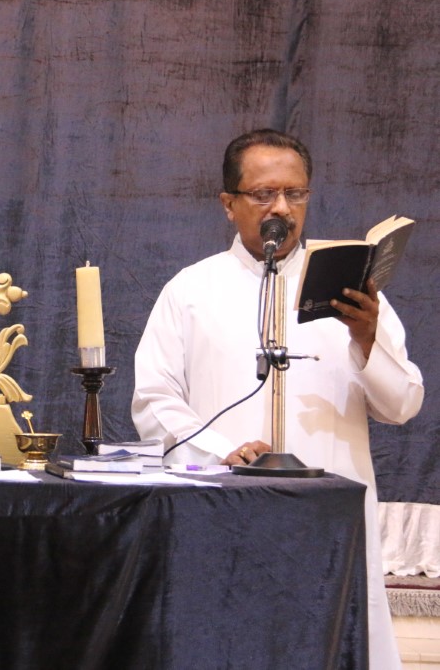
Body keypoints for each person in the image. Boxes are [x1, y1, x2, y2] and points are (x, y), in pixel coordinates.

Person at [131, 128, 423, 667]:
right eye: (264, 194)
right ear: (229, 203)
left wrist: (367, 340)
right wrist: (220, 452)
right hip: (225, 508)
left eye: (296, 193)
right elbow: (154, 400)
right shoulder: (191, 290)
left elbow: (402, 404)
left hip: (330, 522)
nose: (282, 209)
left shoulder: (353, 290)